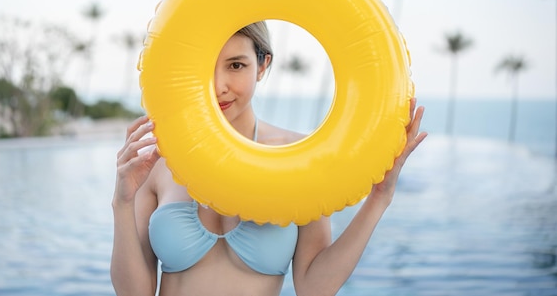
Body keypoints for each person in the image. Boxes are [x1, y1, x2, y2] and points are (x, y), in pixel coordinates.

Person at [111, 21, 427, 296]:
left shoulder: (301, 157)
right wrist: (122, 203)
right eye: (205, 66)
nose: (218, 86)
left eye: (236, 65)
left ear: (262, 66)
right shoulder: (160, 159)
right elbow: (134, 293)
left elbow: (314, 288)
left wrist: (379, 198)